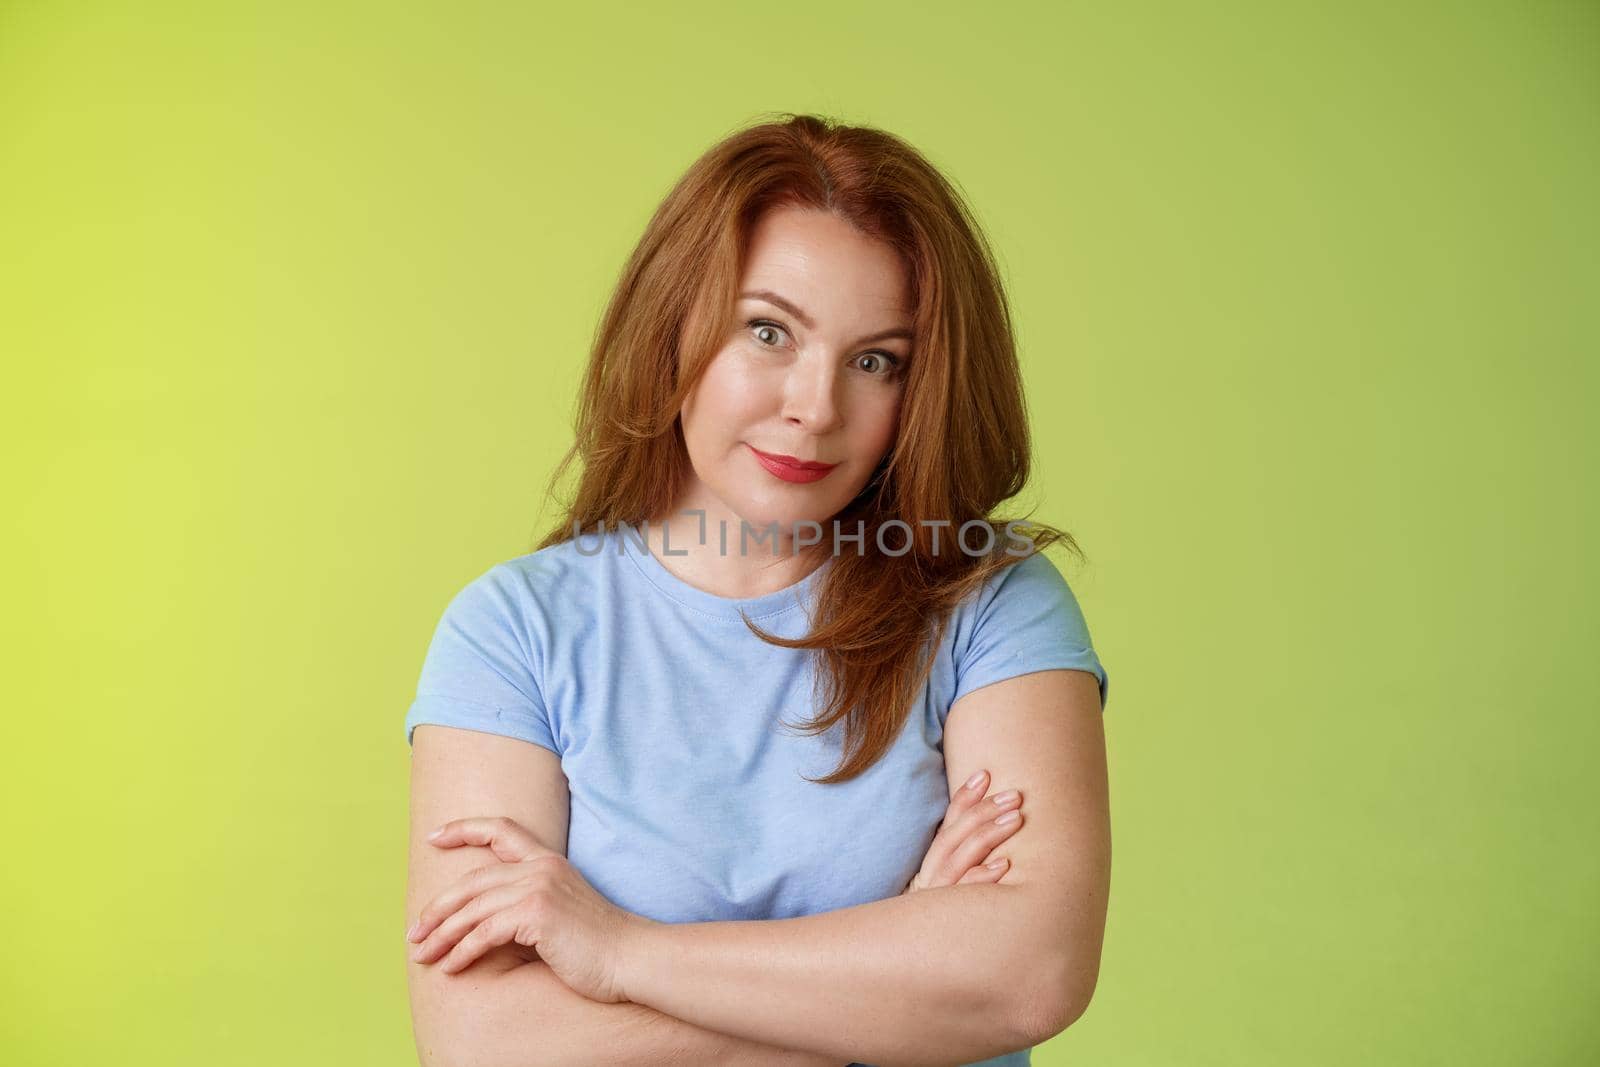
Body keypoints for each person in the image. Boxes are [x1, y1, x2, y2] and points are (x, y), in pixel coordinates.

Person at [402, 112, 1111, 1067]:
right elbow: (484, 1045)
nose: (816, 407)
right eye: (768, 330)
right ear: (673, 328)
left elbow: (1030, 974)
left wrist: (620, 953)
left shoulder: (991, 604)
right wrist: (892, 980)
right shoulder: (513, 631)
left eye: (877, 361)